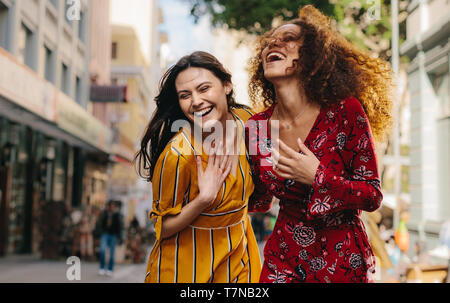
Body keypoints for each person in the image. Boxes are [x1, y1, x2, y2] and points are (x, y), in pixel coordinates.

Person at [245, 5, 393, 283]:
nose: (273, 44)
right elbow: (260, 199)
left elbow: (372, 195)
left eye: (288, 38)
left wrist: (317, 177)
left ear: (310, 56)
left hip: (342, 261)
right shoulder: (255, 128)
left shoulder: (345, 111)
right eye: (269, 42)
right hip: (284, 258)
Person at [135, 51, 262, 283]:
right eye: (185, 95)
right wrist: (203, 200)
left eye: (204, 89)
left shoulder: (248, 121)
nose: (195, 101)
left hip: (240, 258)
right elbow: (162, 228)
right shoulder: (177, 155)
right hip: (186, 269)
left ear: (226, 85)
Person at [97, 200, 124, 276]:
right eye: (111, 205)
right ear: (108, 206)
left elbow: (120, 226)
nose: (112, 207)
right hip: (105, 234)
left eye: (113, 206)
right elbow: (99, 223)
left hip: (113, 235)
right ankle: (102, 268)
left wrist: (120, 236)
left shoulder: (117, 215)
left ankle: (110, 269)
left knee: (112, 254)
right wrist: (100, 232)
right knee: (102, 250)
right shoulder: (104, 213)